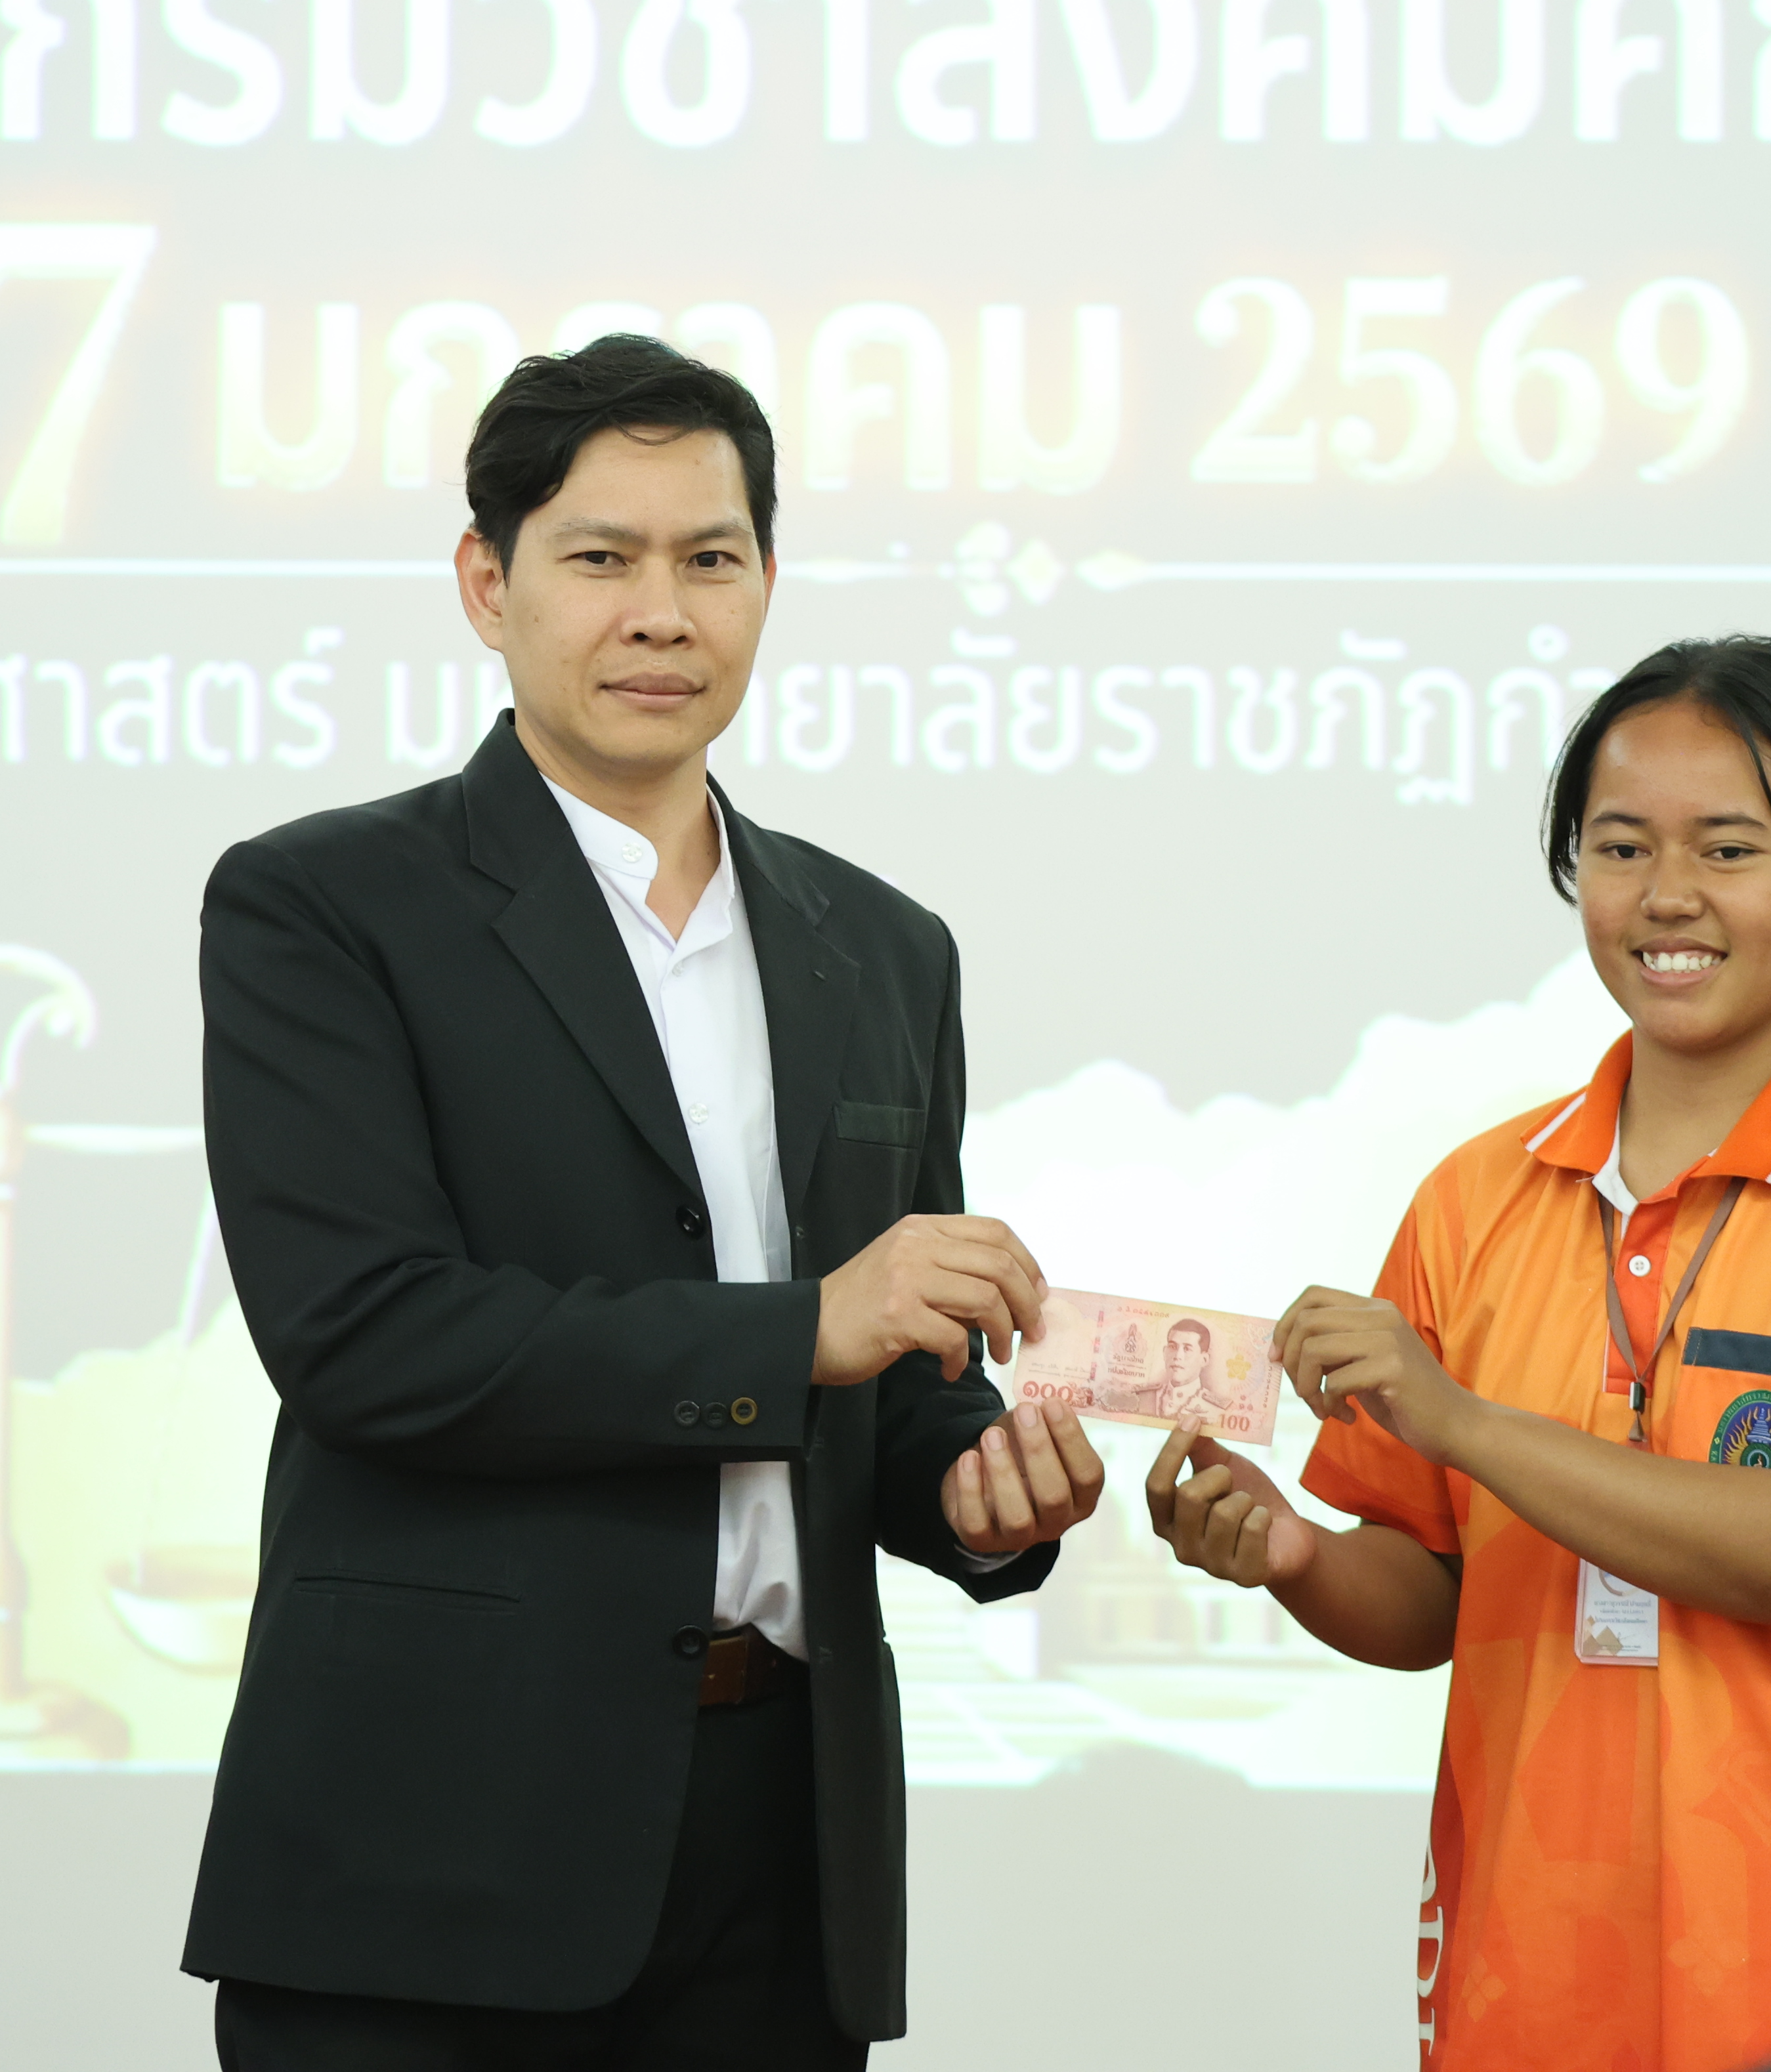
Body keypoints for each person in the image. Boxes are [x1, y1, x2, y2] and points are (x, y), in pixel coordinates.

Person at [184, 334, 1107, 2070]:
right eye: (601, 557)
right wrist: (806, 1331)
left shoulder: (884, 948)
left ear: (768, 581)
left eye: (711, 559)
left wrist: (981, 1493)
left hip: (781, 1853)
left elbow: (896, 1382)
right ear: (488, 583)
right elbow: (366, 1337)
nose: (661, 614)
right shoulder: (323, 908)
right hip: (435, 1843)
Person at [1147, 637, 1771, 2072]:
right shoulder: (1475, 1194)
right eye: (1621, 847)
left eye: (1729, 848)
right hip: (1533, 1986)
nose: (1666, 895)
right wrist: (1294, 1554)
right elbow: (1434, 1592)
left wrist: (1463, 1421)